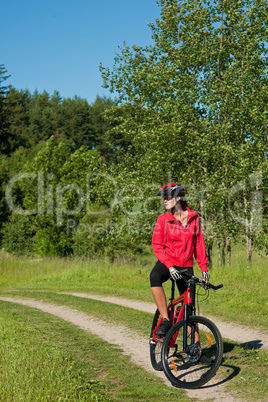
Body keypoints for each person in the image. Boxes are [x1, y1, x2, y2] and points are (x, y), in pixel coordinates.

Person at [150, 183, 209, 336]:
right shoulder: (163, 220)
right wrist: (169, 266)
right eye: (164, 198)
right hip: (168, 262)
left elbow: (199, 244)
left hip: (186, 265)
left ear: (179, 198)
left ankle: (196, 349)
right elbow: (157, 245)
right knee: (155, 276)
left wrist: (203, 268)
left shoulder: (193, 218)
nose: (165, 200)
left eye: (168, 197)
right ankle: (165, 318)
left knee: (189, 310)